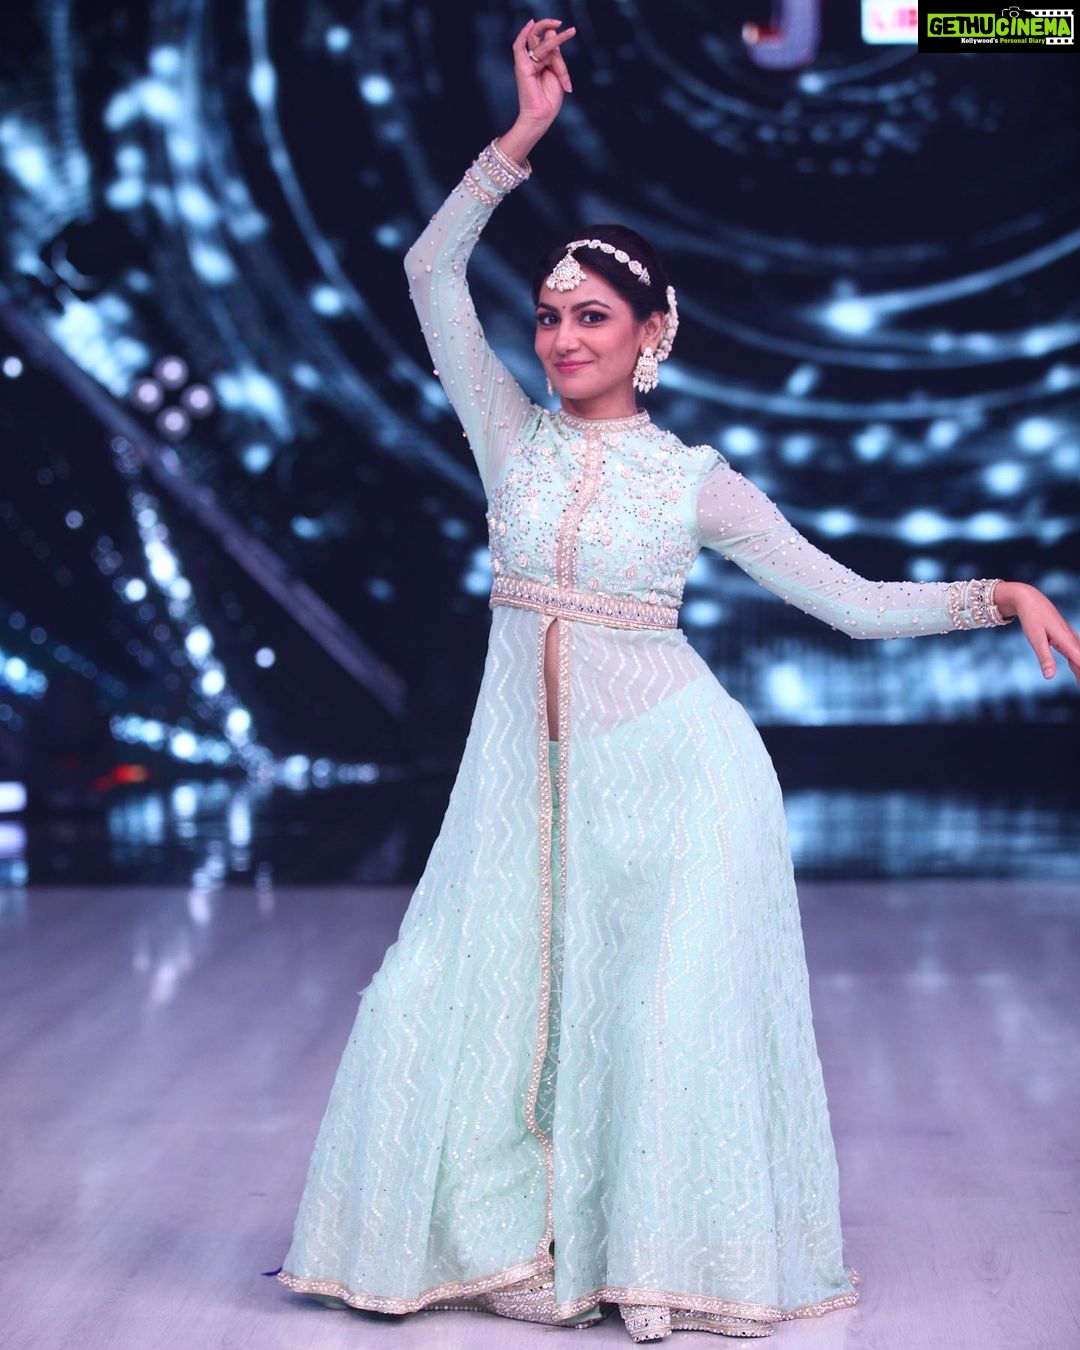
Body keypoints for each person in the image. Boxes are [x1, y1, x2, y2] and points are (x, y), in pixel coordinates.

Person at [275, 17, 1080, 1344]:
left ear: (652, 333)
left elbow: (848, 603)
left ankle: (655, 1266)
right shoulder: (509, 438)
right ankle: (520, 1234)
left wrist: (997, 596)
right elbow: (429, 271)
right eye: (549, 316)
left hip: (684, 782)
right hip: (534, 797)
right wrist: (519, 142)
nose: (560, 336)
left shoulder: (694, 480)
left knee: (651, 1032)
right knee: (447, 996)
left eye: (591, 316)